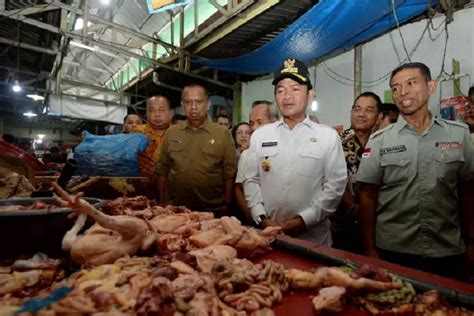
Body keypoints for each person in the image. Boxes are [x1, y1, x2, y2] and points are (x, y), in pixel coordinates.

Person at [356, 62, 474, 279]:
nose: (402, 92)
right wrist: (369, 249)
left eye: (411, 83)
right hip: (393, 251)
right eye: (395, 87)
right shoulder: (381, 140)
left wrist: (471, 242)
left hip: (447, 250)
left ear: (431, 87)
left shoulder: (459, 135)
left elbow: (467, 192)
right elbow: (367, 197)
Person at [242, 58, 347, 244]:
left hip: (313, 239)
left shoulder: (328, 136)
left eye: (295, 89)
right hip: (268, 236)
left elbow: (335, 187)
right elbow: (251, 179)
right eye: (280, 90)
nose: (287, 96)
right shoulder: (260, 136)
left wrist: (303, 221)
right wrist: (261, 218)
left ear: (310, 94)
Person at [157, 83, 236, 213]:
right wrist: (162, 202)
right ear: (183, 105)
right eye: (188, 102)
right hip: (175, 209)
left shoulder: (222, 134)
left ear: (208, 104)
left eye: (199, 102)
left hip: (212, 210)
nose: (193, 107)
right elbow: (162, 169)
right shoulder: (172, 133)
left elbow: (229, 172)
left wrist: (226, 203)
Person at [332, 92, 381, 252]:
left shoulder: (383, 142)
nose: (361, 114)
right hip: (340, 223)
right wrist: (350, 205)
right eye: (357, 109)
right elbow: (330, 177)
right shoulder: (335, 141)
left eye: (368, 110)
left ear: (379, 116)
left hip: (379, 223)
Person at [234, 101, 279, 223]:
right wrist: (254, 217)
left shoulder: (285, 150)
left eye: (259, 122)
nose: (253, 128)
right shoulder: (247, 154)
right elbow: (239, 188)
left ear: (274, 122)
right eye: (251, 123)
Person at [134, 96, 173, 186]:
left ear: (170, 113)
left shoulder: (180, 134)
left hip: (172, 186)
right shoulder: (137, 133)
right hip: (142, 186)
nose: (157, 114)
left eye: (161, 110)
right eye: (152, 110)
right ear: (147, 113)